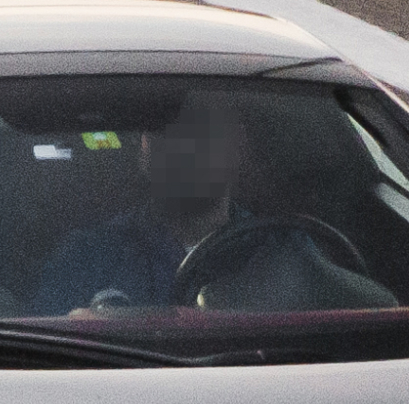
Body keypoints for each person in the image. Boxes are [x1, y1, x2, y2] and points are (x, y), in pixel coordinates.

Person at [29, 95, 248, 316]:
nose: (184, 147)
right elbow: (39, 343)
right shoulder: (86, 257)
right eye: (165, 131)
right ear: (144, 147)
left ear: (237, 142)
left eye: (200, 129)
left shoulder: (274, 253)